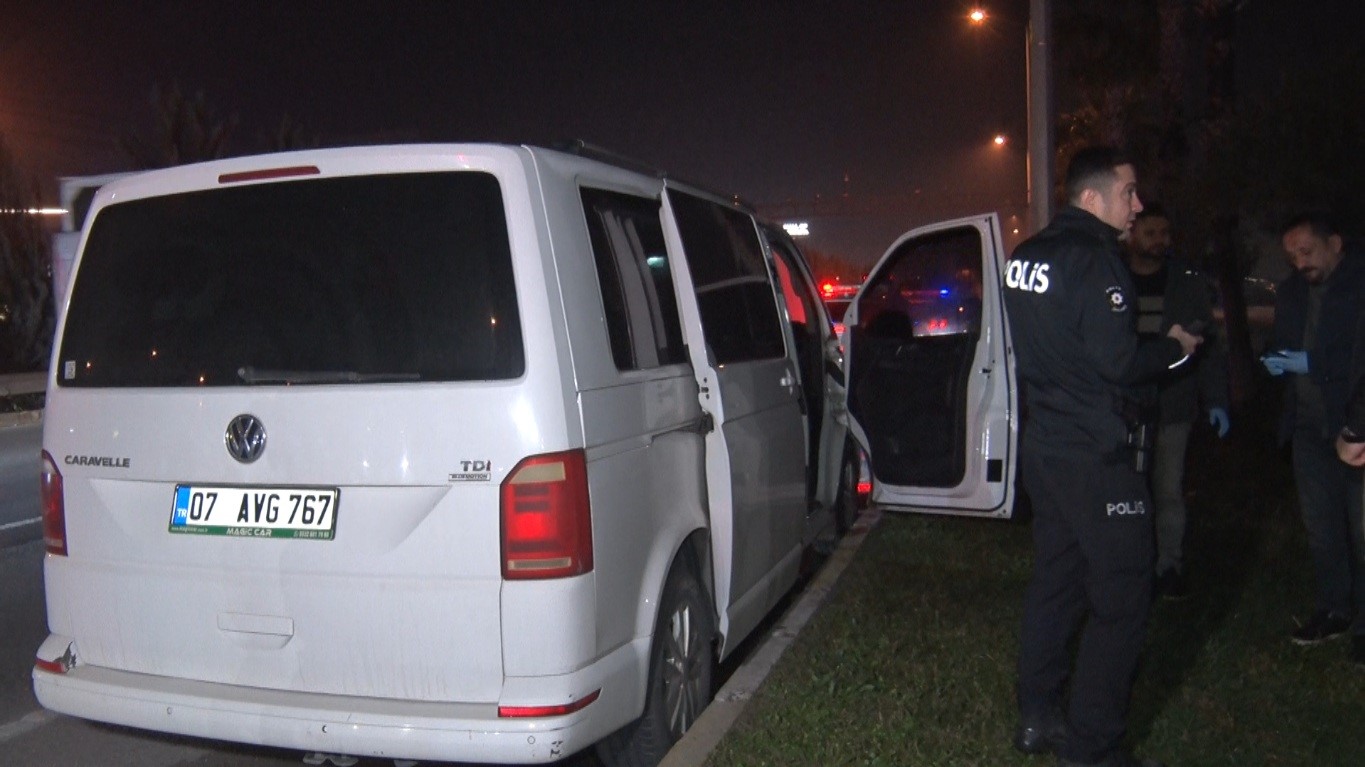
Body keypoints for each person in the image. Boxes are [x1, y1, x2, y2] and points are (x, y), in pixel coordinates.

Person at [1005, 146, 1200, 767]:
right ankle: (1093, 748)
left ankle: (1037, 715)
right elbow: (1118, 363)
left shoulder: (1025, 256)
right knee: (1123, 601)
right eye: (1127, 193)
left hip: (1047, 449)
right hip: (1096, 456)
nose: (1136, 205)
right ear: (1091, 198)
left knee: (1057, 583)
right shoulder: (1096, 260)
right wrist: (1175, 348)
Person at [1264, 211, 1365, 664]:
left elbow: (1354, 359)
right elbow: (1284, 342)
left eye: (1307, 251)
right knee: (1322, 527)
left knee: (1361, 529)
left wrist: (1313, 362)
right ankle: (1334, 609)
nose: (1300, 262)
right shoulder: (1291, 292)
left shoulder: (1358, 286)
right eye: (1292, 256)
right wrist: (1275, 360)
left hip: (1353, 426)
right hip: (1307, 426)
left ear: (1335, 244)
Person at [1124, 203, 1230, 599]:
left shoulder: (1185, 282)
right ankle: (1130, 567)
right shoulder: (1113, 278)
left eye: (1165, 234)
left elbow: (1208, 347)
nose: (1159, 241)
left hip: (1173, 404)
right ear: (1133, 235)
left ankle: (1168, 566)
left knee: (1168, 490)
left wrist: (1215, 399)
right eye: (1150, 233)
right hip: (1123, 406)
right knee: (1126, 493)